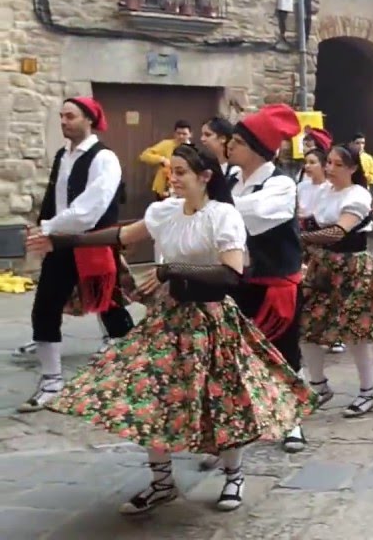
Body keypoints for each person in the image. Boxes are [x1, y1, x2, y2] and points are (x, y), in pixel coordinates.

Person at [28, 143, 313, 513]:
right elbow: (121, 236)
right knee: (152, 399)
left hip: (211, 320)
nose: (172, 179)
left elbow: (230, 273)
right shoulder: (165, 211)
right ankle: (162, 483)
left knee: (222, 399)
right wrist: (62, 241)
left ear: (205, 177)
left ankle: (234, 475)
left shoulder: (222, 215)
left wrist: (168, 269)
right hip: (168, 320)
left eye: (180, 172)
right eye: (171, 171)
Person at [17, 97, 136, 412]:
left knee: (109, 305)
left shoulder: (104, 158)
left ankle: (133, 373)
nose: (63, 122)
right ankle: (52, 381)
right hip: (61, 241)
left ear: (89, 119)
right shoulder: (63, 155)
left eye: (70, 116)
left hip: (93, 242)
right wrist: (43, 226)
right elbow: (54, 196)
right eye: (61, 116)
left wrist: (51, 228)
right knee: (45, 306)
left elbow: (90, 207)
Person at [223, 104, 309, 452]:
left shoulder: (282, 184)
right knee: (236, 355)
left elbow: (256, 214)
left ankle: (293, 422)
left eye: (238, 141)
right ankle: (245, 421)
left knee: (285, 355)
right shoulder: (231, 180)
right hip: (239, 281)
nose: (230, 146)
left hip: (276, 285)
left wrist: (213, 206)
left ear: (257, 148)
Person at [299, 143, 373, 417]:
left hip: (352, 267)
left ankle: (367, 392)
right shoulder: (323, 192)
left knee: (356, 333)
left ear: (352, 168)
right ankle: (319, 386)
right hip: (323, 266)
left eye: (338, 164)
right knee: (307, 326)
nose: (330, 168)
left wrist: (299, 238)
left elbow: (338, 232)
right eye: (328, 162)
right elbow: (310, 222)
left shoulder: (358, 194)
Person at [139, 120, 193, 201]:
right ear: (174, 134)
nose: (181, 136)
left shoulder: (193, 150)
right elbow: (144, 155)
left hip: (185, 188)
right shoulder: (166, 144)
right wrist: (162, 159)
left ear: (190, 135)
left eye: (184, 134)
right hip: (165, 187)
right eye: (178, 133)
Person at [200, 116, 240, 185]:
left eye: (207, 135)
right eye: (202, 134)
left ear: (223, 138)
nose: (202, 139)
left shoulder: (236, 170)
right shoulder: (206, 165)